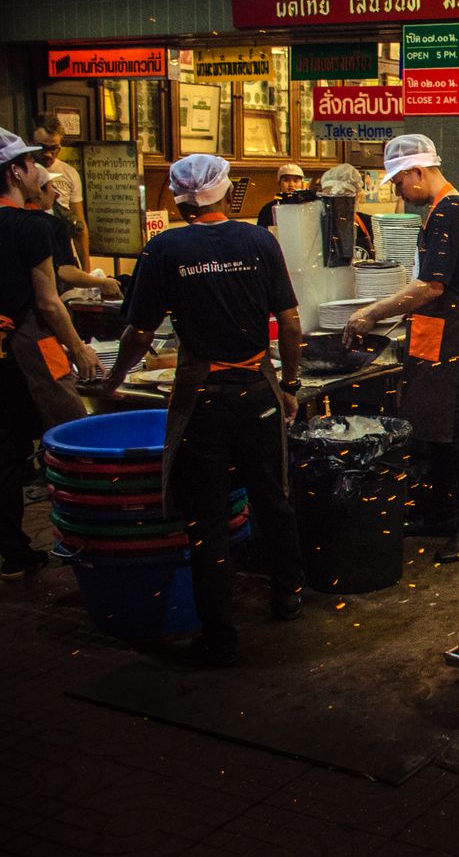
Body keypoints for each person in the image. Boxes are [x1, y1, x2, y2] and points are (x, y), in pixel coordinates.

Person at [103, 153, 305, 666]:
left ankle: (219, 636)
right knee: (271, 496)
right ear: (223, 191)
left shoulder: (164, 248)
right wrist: (290, 384)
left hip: (202, 399)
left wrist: (115, 377)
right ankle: (288, 595)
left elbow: (140, 331)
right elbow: (291, 322)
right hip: (257, 390)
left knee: (207, 519)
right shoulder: (260, 241)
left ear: (177, 195)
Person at [343, 135, 459, 564]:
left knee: (458, 432)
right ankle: (439, 514)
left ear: (417, 172)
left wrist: (371, 313)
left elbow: (432, 286)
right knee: (436, 429)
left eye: (398, 183)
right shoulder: (444, 210)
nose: (398, 192)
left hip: (452, 335)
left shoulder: (448, 214)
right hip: (437, 332)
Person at [1, 128, 100, 581]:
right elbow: (47, 301)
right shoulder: (32, 226)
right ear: (16, 172)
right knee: (73, 441)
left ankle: (13, 553)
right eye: (27, 164)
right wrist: (78, 349)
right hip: (32, 346)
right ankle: (87, 539)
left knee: (4, 454)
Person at [29, 168, 122, 300]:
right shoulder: (51, 225)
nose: (56, 194)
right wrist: (102, 283)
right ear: (39, 192)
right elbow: (65, 271)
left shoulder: (10, 218)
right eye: (52, 186)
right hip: (42, 302)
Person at [32, 114, 90, 271]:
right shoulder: (26, 172)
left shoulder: (69, 173)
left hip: (62, 249)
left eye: (54, 149)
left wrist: (86, 269)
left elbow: (79, 222)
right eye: (42, 148)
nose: (48, 154)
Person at [318, 162, 374, 259]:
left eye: (344, 199)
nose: (338, 205)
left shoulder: (368, 223)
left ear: (356, 197)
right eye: (331, 198)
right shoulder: (318, 225)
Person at [257, 163, 310, 229]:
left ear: (302, 184)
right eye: (286, 180)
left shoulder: (309, 207)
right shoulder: (268, 209)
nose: (291, 184)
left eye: (296, 181)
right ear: (279, 183)